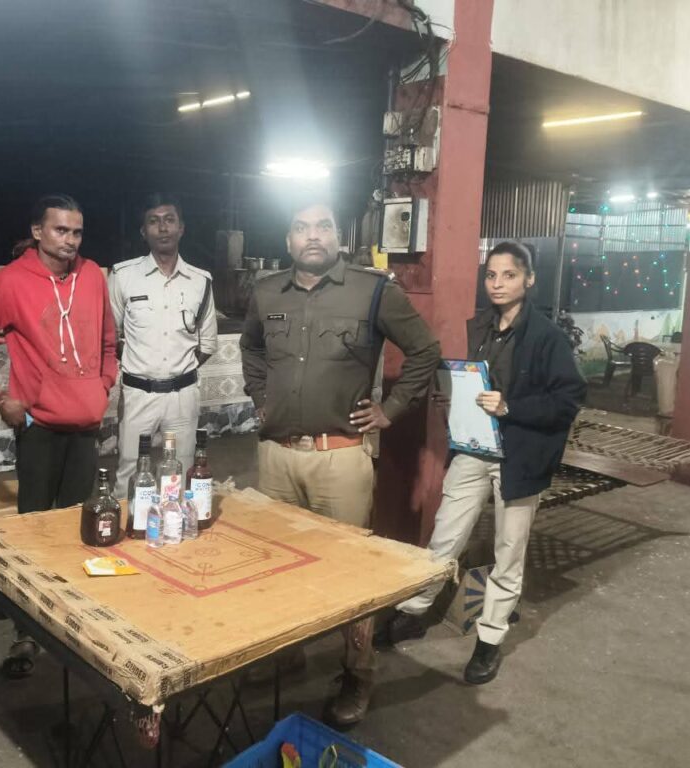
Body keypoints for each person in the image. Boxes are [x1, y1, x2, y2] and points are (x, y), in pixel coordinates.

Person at [240, 200, 441, 727]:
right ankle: (286, 652)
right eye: (301, 227)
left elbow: (425, 350)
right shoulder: (266, 292)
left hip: (341, 457)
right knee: (276, 565)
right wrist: (260, 396)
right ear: (288, 241)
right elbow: (251, 348)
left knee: (351, 577)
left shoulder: (373, 291)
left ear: (338, 236)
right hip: (277, 457)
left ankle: (357, 674)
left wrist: (392, 409)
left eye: (323, 226)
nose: (313, 235)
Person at [383, 241, 586, 684]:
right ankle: (415, 610)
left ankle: (489, 640)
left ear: (529, 279)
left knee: (508, 551)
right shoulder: (482, 327)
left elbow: (568, 401)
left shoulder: (548, 338)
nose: (497, 284)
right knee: (445, 535)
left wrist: (511, 408)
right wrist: (454, 399)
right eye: (491, 275)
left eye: (509, 275)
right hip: (475, 447)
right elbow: (479, 386)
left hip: (521, 456)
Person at [0, 193, 117, 677]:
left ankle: (75, 623)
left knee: (81, 527)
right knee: (34, 531)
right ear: (38, 232)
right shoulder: (9, 282)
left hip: (86, 427)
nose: (70, 240)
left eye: (77, 231)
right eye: (60, 230)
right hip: (38, 428)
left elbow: (109, 342)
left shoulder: (93, 275)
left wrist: (102, 385)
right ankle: (27, 632)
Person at [108, 193, 217, 497]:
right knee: (130, 470)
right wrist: (144, 363)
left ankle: (173, 523)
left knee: (178, 471)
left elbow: (207, 344)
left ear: (181, 228)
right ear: (144, 231)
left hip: (182, 397)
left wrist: (177, 371)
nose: (163, 227)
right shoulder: (123, 276)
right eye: (154, 222)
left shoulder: (201, 281)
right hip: (138, 394)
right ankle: (129, 523)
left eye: (170, 220)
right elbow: (110, 336)